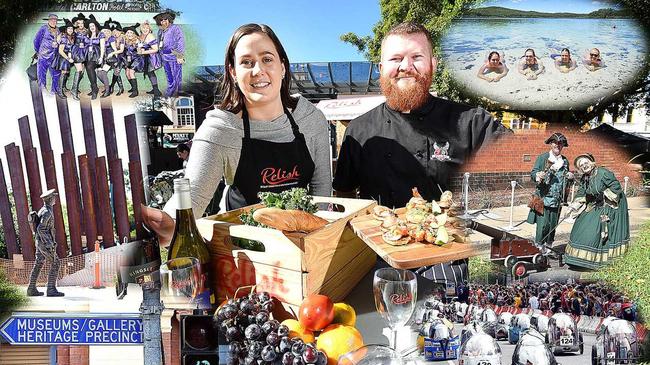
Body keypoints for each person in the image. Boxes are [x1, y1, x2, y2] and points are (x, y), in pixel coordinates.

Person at [333, 22, 507, 286]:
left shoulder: (469, 121)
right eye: (395, 59)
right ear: (381, 69)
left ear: (433, 64)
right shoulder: (358, 130)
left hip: (444, 259)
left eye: (417, 57)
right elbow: (344, 195)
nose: (406, 66)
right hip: (376, 259)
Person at [143, 23, 331, 245]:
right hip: (240, 249)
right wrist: (168, 224)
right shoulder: (220, 129)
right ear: (233, 72)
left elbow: (321, 193)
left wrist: (319, 241)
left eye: (267, 59)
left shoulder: (310, 119)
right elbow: (192, 197)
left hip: (299, 242)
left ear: (282, 67)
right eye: (246, 62)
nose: (258, 70)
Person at [564, 153, 630, 270]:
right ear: (580, 169)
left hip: (612, 204)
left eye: (586, 162)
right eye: (581, 165)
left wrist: (604, 194)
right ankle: (578, 259)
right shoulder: (585, 178)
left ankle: (596, 259)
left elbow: (616, 188)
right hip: (596, 203)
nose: (584, 165)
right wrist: (572, 207)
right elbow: (581, 193)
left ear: (591, 162)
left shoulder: (603, 173)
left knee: (593, 227)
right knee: (581, 221)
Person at [526, 133, 574, 253]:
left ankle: (548, 248)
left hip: (558, 199)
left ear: (563, 145)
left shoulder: (565, 161)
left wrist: (570, 177)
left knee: (553, 225)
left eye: (560, 143)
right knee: (543, 226)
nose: (557, 145)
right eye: (555, 143)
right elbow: (533, 173)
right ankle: (538, 248)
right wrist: (538, 175)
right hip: (543, 197)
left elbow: (567, 177)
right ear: (551, 144)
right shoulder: (543, 158)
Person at [26, 189, 64, 297]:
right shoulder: (47, 212)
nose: (55, 198)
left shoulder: (43, 210)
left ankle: (31, 288)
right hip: (45, 243)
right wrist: (49, 244)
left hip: (39, 242)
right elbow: (41, 229)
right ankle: (51, 289)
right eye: (54, 197)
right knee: (56, 263)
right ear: (50, 199)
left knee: (38, 263)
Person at [154, 10, 185, 97]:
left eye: (165, 19)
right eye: (161, 20)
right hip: (164, 56)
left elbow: (180, 42)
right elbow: (159, 43)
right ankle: (172, 91)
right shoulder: (160, 31)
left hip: (173, 56)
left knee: (176, 76)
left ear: (169, 19)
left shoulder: (175, 28)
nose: (163, 22)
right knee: (169, 76)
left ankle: (174, 92)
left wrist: (179, 56)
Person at [33, 13, 61, 93]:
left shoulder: (58, 30)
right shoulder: (43, 28)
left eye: (55, 20)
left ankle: (54, 91)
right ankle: (42, 92)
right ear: (48, 20)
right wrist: (38, 52)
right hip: (43, 56)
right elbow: (36, 41)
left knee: (56, 74)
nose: (53, 21)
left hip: (54, 56)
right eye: (52, 20)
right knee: (41, 75)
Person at [138, 20, 163, 97]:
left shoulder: (150, 36)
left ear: (150, 29)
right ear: (141, 29)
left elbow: (155, 49)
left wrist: (143, 52)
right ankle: (154, 89)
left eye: (147, 28)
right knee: (149, 73)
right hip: (146, 57)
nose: (145, 29)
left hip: (151, 57)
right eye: (143, 28)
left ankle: (157, 91)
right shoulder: (141, 35)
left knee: (151, 72)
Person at [51, 18, 75, 98]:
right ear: (66, 29)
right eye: (69, 28)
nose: (70, 30)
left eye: (71, 28)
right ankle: (60, 91)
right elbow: (60, 51)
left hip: (67, 57)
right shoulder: (64, 38)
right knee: (63, 73)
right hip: (62, 58)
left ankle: (63, 87)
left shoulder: (71, 37)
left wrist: (70, 57)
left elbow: (70, 49)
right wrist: (68, 59)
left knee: (66, 73)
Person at [70, 13, 89, 100]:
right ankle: (74, 91)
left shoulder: (87, 30)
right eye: (79, 23)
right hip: (76, 51)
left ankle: (74, 88)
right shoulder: (74, 31)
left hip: (84, 52)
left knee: (82, 71)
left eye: (82, 23)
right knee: (79, 70)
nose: (80, 25)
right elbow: (70, 41)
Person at [104, 20, 126, 96]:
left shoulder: (122, 38)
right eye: (115, 31)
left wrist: (112, 53)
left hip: (121, 57)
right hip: (114, 57)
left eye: (118, 32)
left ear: (121, 32)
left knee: (116, 72)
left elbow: (121, 50)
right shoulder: (112, 38)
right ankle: (119, 87)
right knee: (115, 72)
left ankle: (113, 86)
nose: (117, 33)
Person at [123, 24, 144, 98]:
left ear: (134, 34)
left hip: (137, 58)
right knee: (127, 73)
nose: (129, 34)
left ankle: (135, 91)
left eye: (131, 33)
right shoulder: (125, 40)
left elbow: (140, 50)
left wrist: (139, 47)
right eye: (128, 33)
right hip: (129, 59)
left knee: (131, 72)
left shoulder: (137, 40)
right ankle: (133, 87)